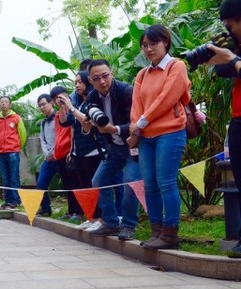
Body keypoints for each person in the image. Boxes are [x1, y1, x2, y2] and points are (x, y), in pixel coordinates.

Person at [128, 25, 191, 250]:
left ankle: (171, 233)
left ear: (165, 42)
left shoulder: (176, 66)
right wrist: (135, 126)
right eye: (144, 45)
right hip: (146, 137)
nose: (148, 49)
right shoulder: (142, 74)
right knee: (150, 185)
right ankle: (157, 232)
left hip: (170, 133)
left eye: (153, 44)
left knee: (166, 182)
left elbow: (166, 98)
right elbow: (136, 103)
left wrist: (142, 121)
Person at [84, 59, 142, 241]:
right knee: (99, 180)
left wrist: (114, 129)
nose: (102, 81)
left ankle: (128, 225)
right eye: (96, 78)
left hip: (134, 145)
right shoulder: (92, 97)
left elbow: (136, 121)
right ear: (91, 81)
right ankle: (110, 222)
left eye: (105, 76)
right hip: (113, 148)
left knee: (130, 183)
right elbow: (90, 117)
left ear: (112, 73)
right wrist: (90, 122)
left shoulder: (126, 91)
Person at [206, 0, 241, 258]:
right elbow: (221, 71)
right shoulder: (236, 45)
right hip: (238, 118)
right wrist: (222, 53)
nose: (228, 29)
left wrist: (234, 59)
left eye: (230, 24)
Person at [58, 72, 106, 230]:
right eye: (75, 83)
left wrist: (70, 107)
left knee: (96, 186)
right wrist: (63, 107)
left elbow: (86, 121)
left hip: (94, 150)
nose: (77, 85)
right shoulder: (78, 102)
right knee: (85, 186)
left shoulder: (93, 100)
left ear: (88, 82)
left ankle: (101, 218)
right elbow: (65, 123)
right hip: (79, 152)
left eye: (80, 82)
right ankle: (91, 217)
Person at [50, 86, 82, 221]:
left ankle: (78, 212)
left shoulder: (73, 111)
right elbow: (58, 134)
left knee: (75, 184)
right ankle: (71, 211)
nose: (59, 100)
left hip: (69, 153)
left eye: (61, 96)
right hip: (59, 154)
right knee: (67, 185)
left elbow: (72, 131)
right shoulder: (58, 115)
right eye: (56, 98)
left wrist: (70, 150)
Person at [0, 95, 27, 209]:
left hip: (13, 152)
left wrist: (17, 147)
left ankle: (16, 201)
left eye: (6, 102)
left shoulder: (16, 118)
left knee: (14, 177)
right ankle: (8, 200)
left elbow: (22, 134)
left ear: (10, 105)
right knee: (5, 178)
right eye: (1, 102)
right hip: (1, 153)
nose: (3, 104)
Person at [35, 94, 59, 216]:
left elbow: (60, 138)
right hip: (48, 159)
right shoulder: (43, 122)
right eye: (40, 106)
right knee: (40, 184)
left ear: (52, 103)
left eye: (44, 104)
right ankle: (45, 209)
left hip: (59, 156)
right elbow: (42, 139)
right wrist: (47, 154)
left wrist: (53, 153)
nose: (42, 107)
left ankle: (74, 212)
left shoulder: (60, 117)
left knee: (70, 184)